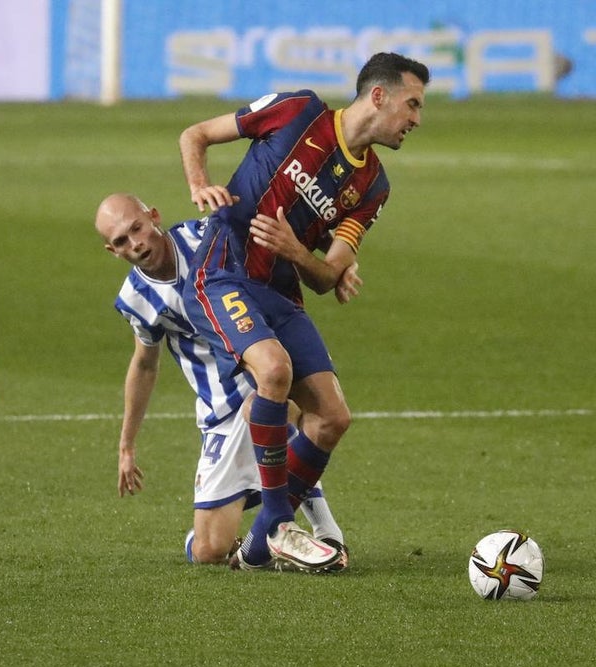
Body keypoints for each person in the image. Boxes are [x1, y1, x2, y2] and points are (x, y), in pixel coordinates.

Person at [178, 52, 429, 569]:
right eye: (412, 104)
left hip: (283, 291)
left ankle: (256, 548)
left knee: (333, 418)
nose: (416, 120)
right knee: (273, 370)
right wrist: (200, 184)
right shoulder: (296, 110)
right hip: (224, 271)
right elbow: (195, 134)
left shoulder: (373, 188)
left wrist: (297, 252)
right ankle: (281, 525)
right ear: (378, 96)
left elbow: (328, 277)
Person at [95, 193, 353, 570]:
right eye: (121, 241)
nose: (135, 243)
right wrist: (126, 445)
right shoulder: (136, 299)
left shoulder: (206, 238)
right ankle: (236, 539)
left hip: (263, 370)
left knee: (284, 409)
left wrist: (340, 262)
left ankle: (322, 529)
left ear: (153, 216)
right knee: (209, 551)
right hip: (219, 413)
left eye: (137, 228)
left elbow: (278, 223)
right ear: (112, 251)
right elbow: (144, 366)